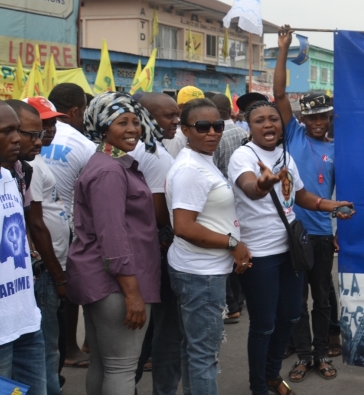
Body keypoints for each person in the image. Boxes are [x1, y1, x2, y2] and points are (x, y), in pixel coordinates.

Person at [228, 100, 354, 395]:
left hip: (290, 252)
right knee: (264, 325)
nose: (268, 124)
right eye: (260, 120)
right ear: (249, 125)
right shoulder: (243, 156)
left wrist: (331, 206)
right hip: (260, 256)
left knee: (290, 316)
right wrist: (262, 185)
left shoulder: (285, 155)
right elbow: (249, 187)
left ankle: (273, 375)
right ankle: (258, 385)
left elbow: (301, 196)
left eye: (273, 119)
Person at [67, 92, 162, 395]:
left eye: (135, 121)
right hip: (118, 284)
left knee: (104, 364)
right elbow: (113, 236)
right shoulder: (109, 169)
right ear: (103, 127)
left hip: (107, 281)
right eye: (122, 122)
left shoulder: (110, 162)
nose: (133, 129)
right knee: (121, 368)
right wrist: (132, 294)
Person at [273, 27, 349, 382]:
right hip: (291, 233)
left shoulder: (339, 149)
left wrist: (337, 232)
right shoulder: (293, 134)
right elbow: (278, 93)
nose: (319, 123)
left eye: (325, 117)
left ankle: (321, 354)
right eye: (313, 118)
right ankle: (302, 355)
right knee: (295, 302)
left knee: (321, 300)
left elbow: (339, 197)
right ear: (302, 119)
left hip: (320, 236)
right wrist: (283, 50)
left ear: (331, 117)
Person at [165, 98, 253, 394]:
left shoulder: (203, 160)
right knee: (204, 356)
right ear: (185, 130)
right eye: (202, 127)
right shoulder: (191, 168)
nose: (212, 132)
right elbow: (184, 226)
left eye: (217, 126)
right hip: (200, 274)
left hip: (202, 270)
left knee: (195, 351)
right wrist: (232, 243)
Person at [0, 98, 47, 395]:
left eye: (18, 130)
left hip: (26, 321)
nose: (17, 139)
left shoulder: (10, 177)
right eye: (6, 131)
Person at [8, 100, 68, 395]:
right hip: (28, 280)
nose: (41, 137)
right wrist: (58, 276)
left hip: (33, 277)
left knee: (43, 354)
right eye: (30, 133)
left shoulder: (24, 170)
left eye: (43, 129)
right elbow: (36, 225)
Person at [128, 93, 183, 395]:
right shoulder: (154, 155)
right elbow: (161, 212)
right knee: (165, 335)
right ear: (146, 116)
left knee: (142, 335)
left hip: (139, 254)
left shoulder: (121, 149)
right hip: (157, 255)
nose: (176, 121)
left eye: (177, 114)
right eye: (169, 116)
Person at [45, 83, 95, 368]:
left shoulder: (33, 134)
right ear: (76, 110)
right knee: (68, 289)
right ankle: (70, 349)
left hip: (31, 227)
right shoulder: (85, 145)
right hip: (66, 228)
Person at [207, 93, 248, 323]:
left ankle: (231, 304)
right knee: (236, 248)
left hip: (223, 201)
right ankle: (238, 301)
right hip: (241, 199)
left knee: (227, 249)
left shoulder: (216, 138)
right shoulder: (242, 132)